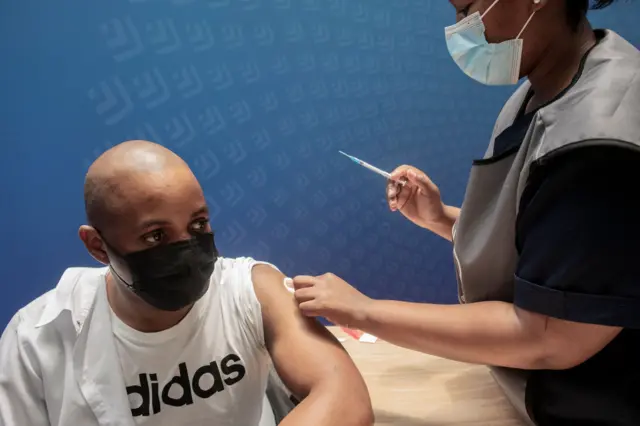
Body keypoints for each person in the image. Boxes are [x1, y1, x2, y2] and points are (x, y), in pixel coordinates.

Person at [291, 0, 640, 425]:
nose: (461, 30)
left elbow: (550, 335)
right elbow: (551, 251)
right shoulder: (546, 90)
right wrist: (439, 218)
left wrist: (363, 310)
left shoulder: (597, 142)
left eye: (469, 8)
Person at [0, 140, 373, 426]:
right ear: (98, 246)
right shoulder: (36, 339)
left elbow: (344, 396)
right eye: (155, 236)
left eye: (198, 225)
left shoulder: (249, 288)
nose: (187, 248)